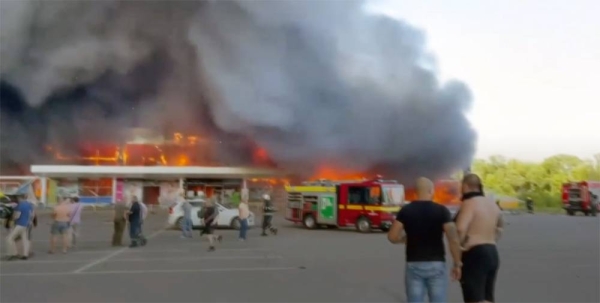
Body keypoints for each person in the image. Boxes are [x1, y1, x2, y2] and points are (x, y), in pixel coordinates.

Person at [387, 177, 462, 303]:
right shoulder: (442, 211)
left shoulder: (406, 210)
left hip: (414, 264)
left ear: (415, 193)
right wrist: (457, 263)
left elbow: (392, 236)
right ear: (431, 191)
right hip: (436, 264)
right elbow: (453, 239)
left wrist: (404, 239)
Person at [455, 174, 503, 303]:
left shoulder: (469, 203)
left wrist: (458, 254)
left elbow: (460, 228)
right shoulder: (492, 204)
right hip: (492, 252)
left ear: (465, 186)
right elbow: (500, 227)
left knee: (474, 298)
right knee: (487, 297)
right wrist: (492, 238)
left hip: (475, 254)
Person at [5, 195, 34, 260]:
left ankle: (11, 254)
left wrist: (12, 219)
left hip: (19, 224)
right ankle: (25, 255)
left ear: (19, 198)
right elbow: (32, 215)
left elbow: (17, 216)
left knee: (9, 239)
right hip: (26, 224)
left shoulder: (19, 206)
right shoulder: (29, 205)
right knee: (25, 239)